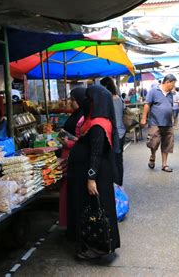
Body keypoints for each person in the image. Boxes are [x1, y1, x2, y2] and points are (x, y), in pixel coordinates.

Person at [67, 85, 120, 259]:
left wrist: (91, 178)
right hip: (94, 173)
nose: (86, 102)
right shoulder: (93, 120)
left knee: (97, 211)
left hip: (97, 175)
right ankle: (91, 245)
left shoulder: (99, 124)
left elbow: (96, 153)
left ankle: (97, 248)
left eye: (89, 98)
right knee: (92, 211)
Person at [58, 87, 87, 229]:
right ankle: (67, 224)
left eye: (73, 99)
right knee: (66, 191)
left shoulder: (84, 117)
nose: (70, 102)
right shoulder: (75, 114)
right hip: (67, 155)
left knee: (73, 192)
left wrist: (67, 142)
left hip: (74, 156)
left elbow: (83, 141)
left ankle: (74, 226)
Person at [140, 74, 176, 173]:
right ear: (167, 82)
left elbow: (170, 107)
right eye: (173, 84)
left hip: (168, 123)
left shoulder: (170, 94)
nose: (174, 86)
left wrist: (172, 119)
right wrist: (144, 118)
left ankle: (164, 165)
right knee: (153, 142)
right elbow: (147, 105)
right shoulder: (153, 91)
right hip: (155, 122)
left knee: (167, 143)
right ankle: (153, 155)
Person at [100, 76, 126, 186]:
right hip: (122, 132)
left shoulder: (107, 99)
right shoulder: (119, 98)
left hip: (113, 133)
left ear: (105, 86)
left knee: (113, 160)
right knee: (119, 160)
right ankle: (119, 183)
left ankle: (115, 184)